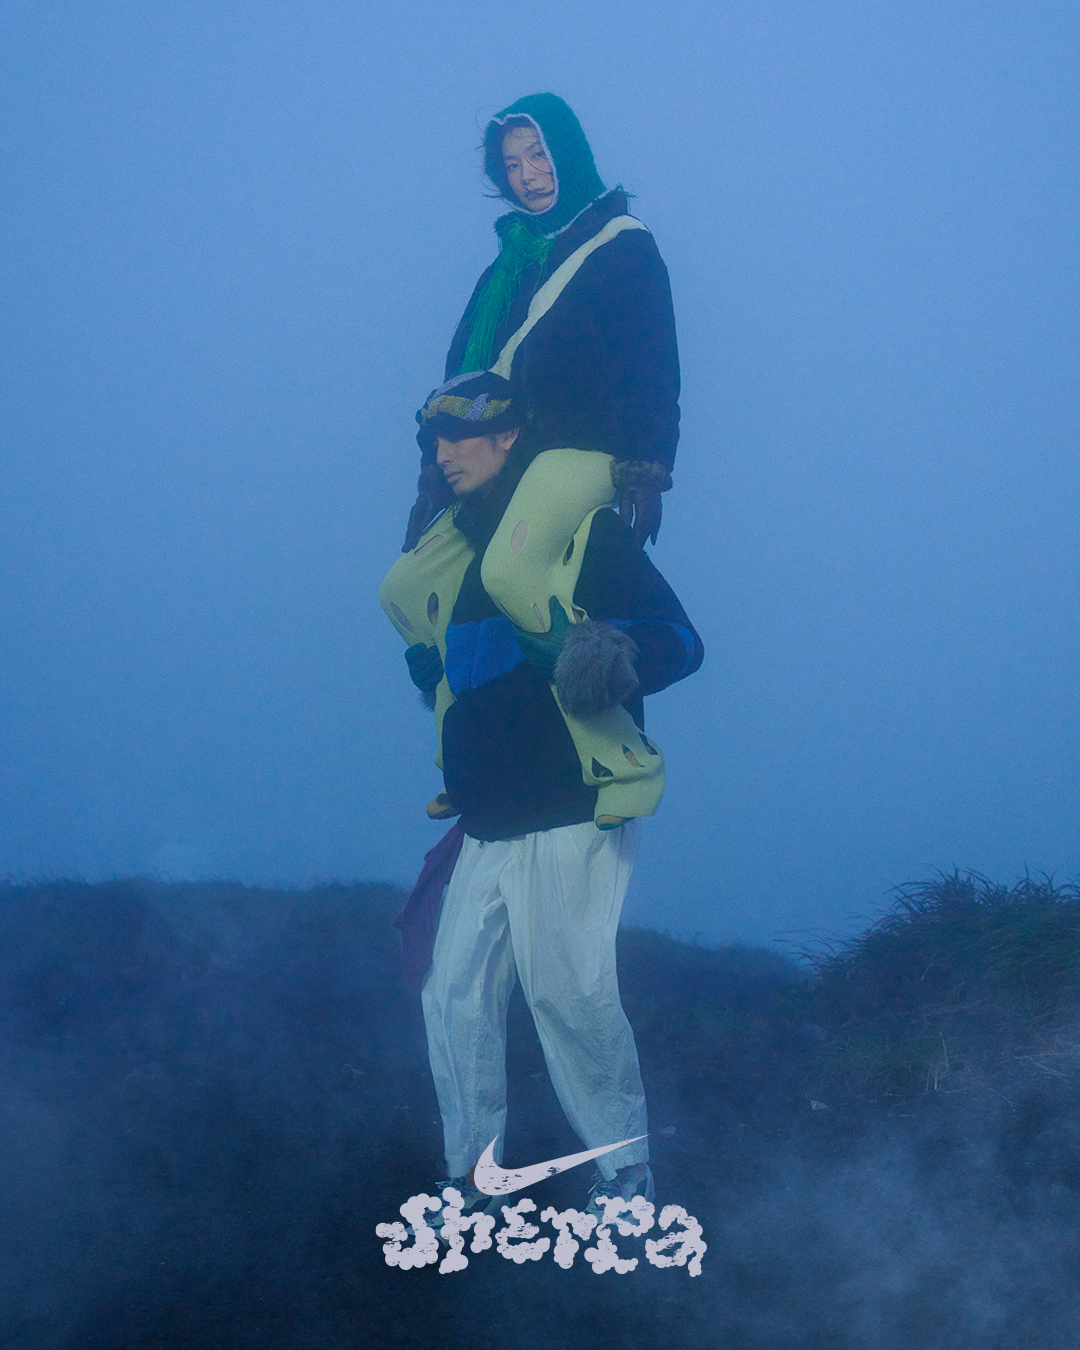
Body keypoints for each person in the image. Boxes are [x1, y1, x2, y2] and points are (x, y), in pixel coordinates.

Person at [380, 376, 702, 1224]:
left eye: (461, 436)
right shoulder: (459, 555)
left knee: (569, 993)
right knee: (452, 996)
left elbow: (682, 639)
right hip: (487, 817)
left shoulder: (584, 533)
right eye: (434, 440)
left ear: (512, 437)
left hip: (570, 804)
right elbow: (466, 677)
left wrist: (613, 653)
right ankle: (469, 1176)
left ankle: (626, 1180)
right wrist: (434, 676)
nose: (443, 454)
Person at [403, 93, 681, 557]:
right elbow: (460, 379)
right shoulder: (508, 265)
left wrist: (645, 467)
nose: (526, 176)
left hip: (580, 456)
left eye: (538, 154)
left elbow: (650, 366)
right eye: (511, 165)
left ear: (568, 155)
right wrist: (434, 475)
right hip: (500, 460)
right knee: (407, 585)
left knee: (510, 573)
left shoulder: (623, 245)